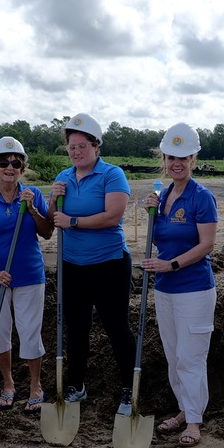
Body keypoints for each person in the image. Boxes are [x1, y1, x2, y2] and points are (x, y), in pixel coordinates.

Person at [45, 112, 138, 413]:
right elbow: (51, 220)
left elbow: (112, 216)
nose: (76, 152)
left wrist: (72, 220)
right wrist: (52, 201)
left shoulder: (113, 175)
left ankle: (130, 388)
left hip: (109, 263)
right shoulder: (63, 177)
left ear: (96, 146)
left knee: (116, 326)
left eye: (82, 146)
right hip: (72, 265)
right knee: (76, 328)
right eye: (71, 147)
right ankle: (77, 386)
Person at [141, 124, 219, 446]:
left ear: (193, 158)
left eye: (183, 157)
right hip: (164, 290)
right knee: (174, 356)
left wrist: (170, 265)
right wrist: (148, 210)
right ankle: (184, 410)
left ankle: (195, 422)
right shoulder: (162, 198)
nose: (177, 163)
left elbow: (207, 244)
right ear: (165, 158)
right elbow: (159, 238)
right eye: (171, 157)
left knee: (191, 357)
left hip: (194, 289)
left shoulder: (202, 197)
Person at [0, 136, 53, 410]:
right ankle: (8, 384)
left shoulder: (33, 195)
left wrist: (32, 210)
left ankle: (35, 385)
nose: (9, 167)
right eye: (3, 162)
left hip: (29, 274)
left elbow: (47, 231)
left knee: (30, 331)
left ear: (22, 167)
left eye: (15, 163)